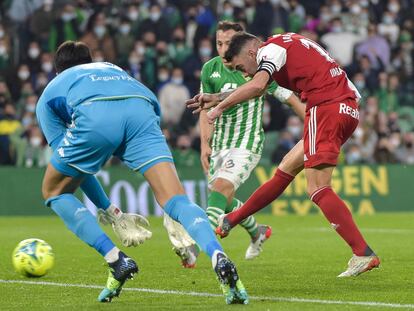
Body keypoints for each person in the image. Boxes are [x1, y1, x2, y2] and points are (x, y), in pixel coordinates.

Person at [37, 41, 248, 304]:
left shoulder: (52, 91)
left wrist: (110, 211)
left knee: (54, 191)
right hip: (142, 108)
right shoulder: (112, 69)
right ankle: (218, 255)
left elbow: (75, 172)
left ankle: (116, 259)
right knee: (176, 200)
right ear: (90, 62)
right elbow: (151, 106)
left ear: (58, 71)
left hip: (97, 115)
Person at [188, 32, 380, 277]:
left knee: (317, 187)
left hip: (326, 107)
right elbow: (257, 88)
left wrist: (218, 109)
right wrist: (216, 97)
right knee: (285, 169)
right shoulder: (283, 45)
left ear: (250, 52)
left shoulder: (269, 50)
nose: (244, 73)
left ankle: (362, 252)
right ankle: (233, 219)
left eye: (240, 67)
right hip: (345, 107)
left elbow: (256, 84)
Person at [175, 21, 305, 268]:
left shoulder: (259, 69)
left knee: (220, 190)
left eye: (230, 44)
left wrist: (315, 125)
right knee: (224, 197)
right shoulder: (210, 69)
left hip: (247, 142)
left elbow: (290, 99)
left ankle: (194, 245)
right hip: (220, 143)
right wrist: (205, 143)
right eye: (220, 43)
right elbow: (205, 108)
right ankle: (258, 232)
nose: (224, 50)